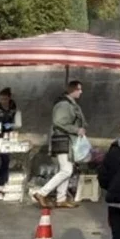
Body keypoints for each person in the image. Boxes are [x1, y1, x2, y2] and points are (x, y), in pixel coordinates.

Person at [37, 80, 86, 209]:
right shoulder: (64, 105)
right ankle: (42, 193)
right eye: (79, 89)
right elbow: (58, 121)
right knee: (66, 170)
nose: (81, 92)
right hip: (63, 140)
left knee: (66, 169)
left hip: (67, 140)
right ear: (72, 90)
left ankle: (61, 198)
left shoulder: (70, 104)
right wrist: (76, 130)